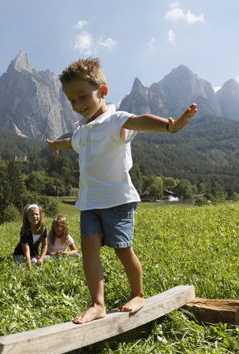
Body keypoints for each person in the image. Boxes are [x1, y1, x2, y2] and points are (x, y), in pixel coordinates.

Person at [46, 58, 197, 324]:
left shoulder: (116, 120)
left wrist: (169, 126)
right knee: (89, 249)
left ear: (103, 92)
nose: (78, 104)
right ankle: (98, 304)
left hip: (117, 200)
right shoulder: (82, 130)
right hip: (89, 202)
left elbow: (140, 121)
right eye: (72, 101)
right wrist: (56, 145)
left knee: (122, 249)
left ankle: (138, 294)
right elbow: (72, 142)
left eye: (82, 96)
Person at [13, 204, 48, 270]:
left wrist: (41, 259)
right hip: (21, 255)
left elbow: (45, 245)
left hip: (34, 255)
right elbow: (26, 251)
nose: (35, 216)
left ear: (40, 215)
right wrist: (29, 267)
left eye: (36, 214)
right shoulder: (25, 231)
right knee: (24, 267)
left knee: (44, 263)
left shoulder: (43, 229)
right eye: (32, 215)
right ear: (27, 217)